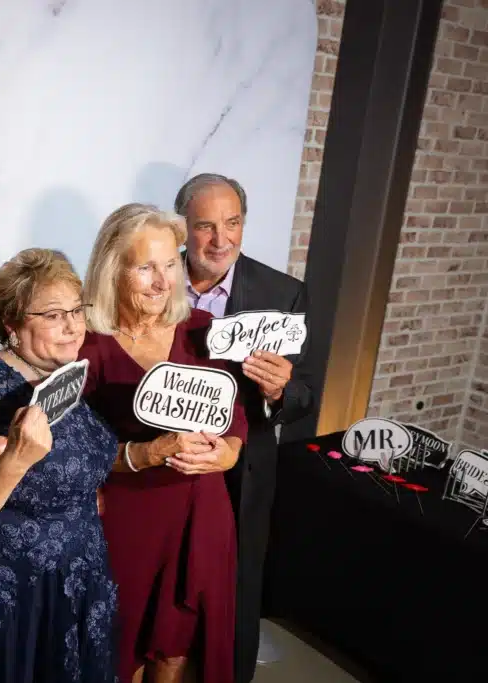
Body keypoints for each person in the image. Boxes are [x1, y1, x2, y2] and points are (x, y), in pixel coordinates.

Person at [0, 248, 119, 683]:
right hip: (18, 592)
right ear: (12, 325)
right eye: (53, 315)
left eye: (76, 310)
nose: (72, 326)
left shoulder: (59, 373)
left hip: (75, 578)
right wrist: (15, 458)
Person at [79, 203, 249, 683]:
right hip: (126, 520)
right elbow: (73, 454)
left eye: (170, 265)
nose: (162, 282)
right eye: (145, 268)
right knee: (117, 651)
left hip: (201, 514)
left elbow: (235, 418)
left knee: (176, 650)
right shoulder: (86, 345)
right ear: (113, 270)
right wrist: (146, 454)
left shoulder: (202, 331)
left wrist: (228, 452)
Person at [174, 173, 315, 683]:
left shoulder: (283, 293)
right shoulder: (150, 279)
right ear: (182, 228)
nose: (221, 240)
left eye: (232, 223)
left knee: (232, 590)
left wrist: (280, 390)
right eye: (206, 226)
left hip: (241, 472)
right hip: (163, 459)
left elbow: (305, 395)